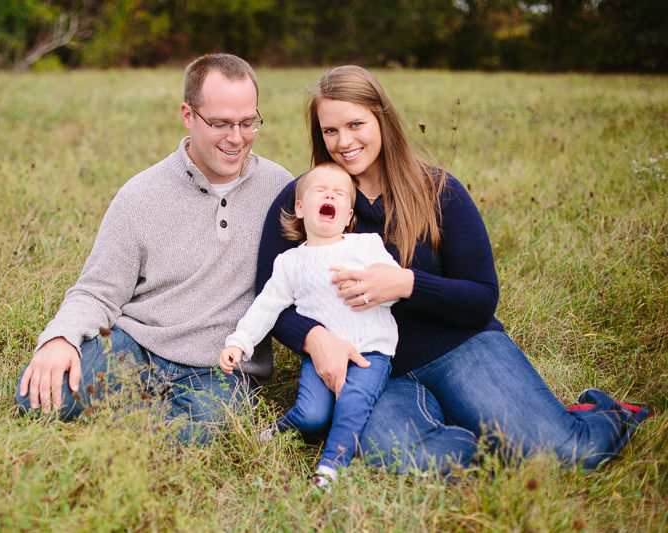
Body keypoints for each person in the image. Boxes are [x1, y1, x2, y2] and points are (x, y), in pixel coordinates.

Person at [256, 65, 651, 473]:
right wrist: (315, 338)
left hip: (459, 346)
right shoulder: (305, 198)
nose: (344, 142)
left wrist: (408, 283)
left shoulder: (439, 190)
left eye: (356, 124)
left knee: (565, 455)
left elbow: (481, 297)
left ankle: (601, 412)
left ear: (383, 119)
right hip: (372, 369)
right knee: (408, 459)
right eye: (330, 131)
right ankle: (479, 434)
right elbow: (268, 295)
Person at [16, 53, 293, 444]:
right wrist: (61, 338)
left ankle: (130, 423)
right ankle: (150, 417)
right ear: (188, 115)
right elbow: (98, 290)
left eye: (248, 123)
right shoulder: (141, 194)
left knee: (206, 428)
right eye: (220, 123)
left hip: (222, 367)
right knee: (38, 397)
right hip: (139, 346)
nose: (236, 137)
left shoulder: (281, 190)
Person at [220, 163, 400, 488]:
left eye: (340, 193)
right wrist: (239, 342)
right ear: (301, 208)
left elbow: (392, 286)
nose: (330, 193)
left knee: (352, 404)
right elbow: (267, 306)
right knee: (312, 414)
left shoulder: (365, 246)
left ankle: (329, 470)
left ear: (348, 216)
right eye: (321, 190)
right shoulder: (290, 262)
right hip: (319, 358)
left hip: (370, 351)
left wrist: (371, 289)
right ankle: (275, 432)